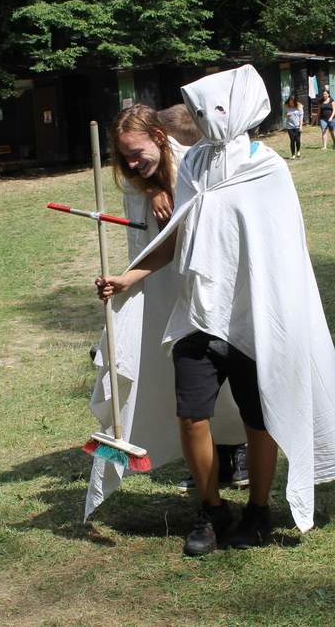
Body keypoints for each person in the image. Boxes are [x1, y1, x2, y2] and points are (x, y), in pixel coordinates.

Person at [93, 65, 335, 557]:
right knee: (190, 417)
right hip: (198, 315)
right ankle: (212, 508)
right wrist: (130, 277)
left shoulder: (267, 168)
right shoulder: (194, 164)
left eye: (208, 109)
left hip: (253, 318)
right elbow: (178, 233)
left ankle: (258, 510)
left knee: (258, 420)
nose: (200, 117)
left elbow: (282, 250)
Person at [84, 104, 249, 519]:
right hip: (162, 287)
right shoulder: (138, 179)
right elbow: (157, 241)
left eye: (136, 154)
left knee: (226, 378)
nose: (131, 164)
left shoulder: (195, 164)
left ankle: (234, 450)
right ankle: (203, 462)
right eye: (124, 157)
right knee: (175, 378)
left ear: (159, 138)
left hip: (209, 287)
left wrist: (165, 189)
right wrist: (151, 189)